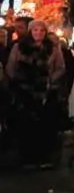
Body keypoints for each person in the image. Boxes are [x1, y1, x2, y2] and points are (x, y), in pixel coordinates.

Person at [5, 19, 66, 165]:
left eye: (42, 30)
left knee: (44, 125)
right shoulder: (19, 47)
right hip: (24, 91)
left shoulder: (53, 48)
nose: (38, 33)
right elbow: (11, 67)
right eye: (35, 30)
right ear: (30, 32)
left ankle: (43, 156)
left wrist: (49, 80)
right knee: (25, 124)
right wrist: (19, 82)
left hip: (45, 91)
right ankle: (26, 156)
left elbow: (60, 68)